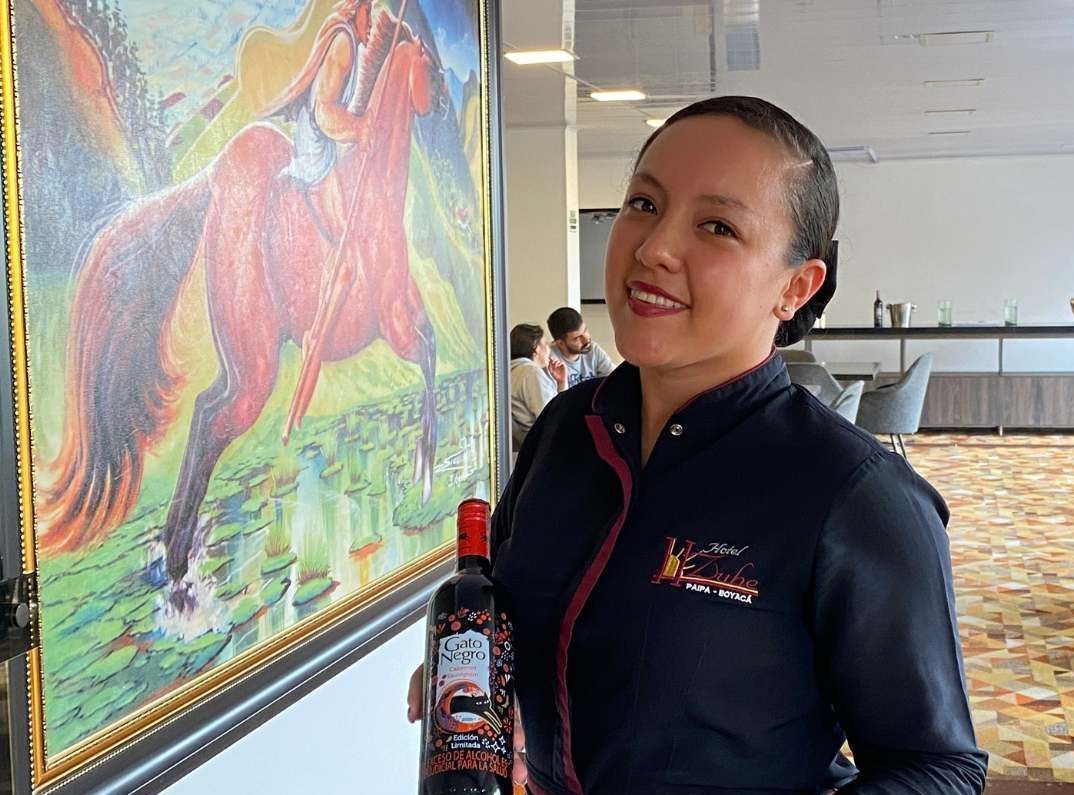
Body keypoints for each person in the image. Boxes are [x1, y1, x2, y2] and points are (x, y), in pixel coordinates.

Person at [409, 96, 987, 793]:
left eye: (717, 226)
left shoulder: (853, 494)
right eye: (643, 204)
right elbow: (516, 606)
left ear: (795, 286)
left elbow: (939, 768)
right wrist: (488, 672)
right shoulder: (566, 430)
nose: (652, 248)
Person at [509, 323, 567, 450]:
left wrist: (561, 383)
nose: (549, 350)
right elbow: (553, 417)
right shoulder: (531, 372)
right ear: (535, 348)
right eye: (546, 344)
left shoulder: (510, 371)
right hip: (542, 447)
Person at [546, 307, 616, 388]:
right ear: (560, 343)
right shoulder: (549, 360)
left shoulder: (593, 349)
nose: (586, 339)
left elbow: (614, 380)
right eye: (577, 338)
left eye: (585, 330)